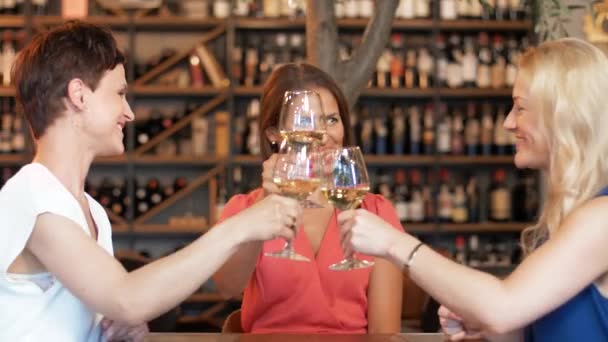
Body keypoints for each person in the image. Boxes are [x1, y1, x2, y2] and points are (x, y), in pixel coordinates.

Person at [0, 21, 300, 342]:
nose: (128, 113)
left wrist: (117, 328)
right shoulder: (31, 198)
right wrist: (240, 228)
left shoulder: (94, 212)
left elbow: (113, 309)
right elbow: (127, 299)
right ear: (79, 95)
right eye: (119, 93)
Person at [338, 37, 608, 341]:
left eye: (520, 108)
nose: (507, 123)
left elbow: (503, 306)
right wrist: (484, 327)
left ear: (564, 116)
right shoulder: (566, 218)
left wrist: (391, 243)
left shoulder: (601, 218)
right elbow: (530, 328)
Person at [212, 63, 404, 334]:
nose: (324, 136)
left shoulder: (375, 212)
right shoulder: (245, 209)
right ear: (274, 134)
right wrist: (267, 203)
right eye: (308, 122)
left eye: (332, 120)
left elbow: (384, 334)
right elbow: (227, 288)